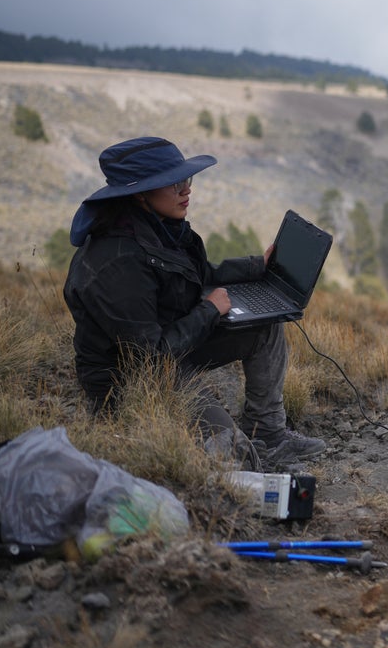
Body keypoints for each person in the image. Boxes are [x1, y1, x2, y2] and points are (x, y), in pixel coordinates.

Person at [63, 136, 325, 469]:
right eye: (174, 184)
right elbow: (150, 357)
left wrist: (256, 266)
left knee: (265, 327)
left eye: (186, 179)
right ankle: (253, 456)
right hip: (131, 378)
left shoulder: (160, 228)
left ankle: (269, 433)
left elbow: (199, 275)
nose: (186, 190)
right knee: (234, 455)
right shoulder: (117, 262)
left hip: (169, 351)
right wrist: (209, 311)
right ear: (140, 193)